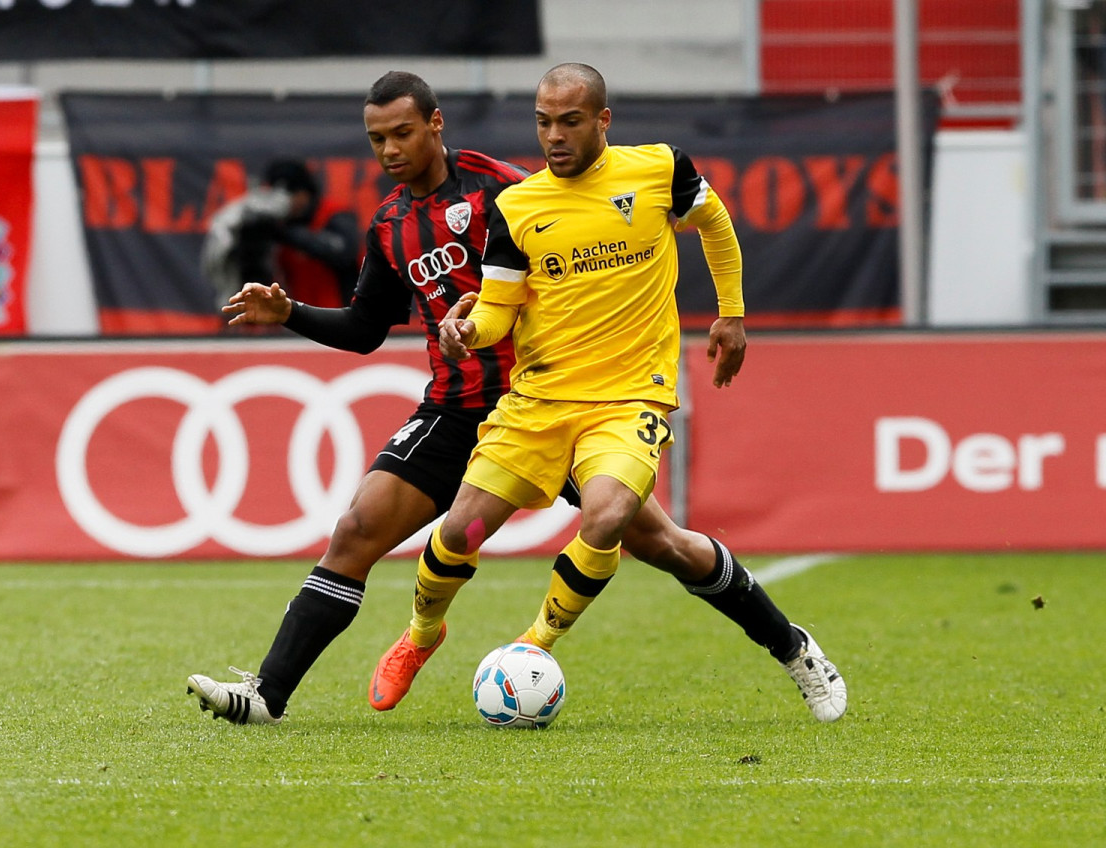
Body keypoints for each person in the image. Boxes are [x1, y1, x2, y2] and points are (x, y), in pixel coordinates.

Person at [186, 70, 845, 727]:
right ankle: (271, 694)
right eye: (376, 138)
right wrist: (292, 312)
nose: (389, 149)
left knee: (662, 544)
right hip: (463, 406)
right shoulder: (392, 224)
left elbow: (581, 255)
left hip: (558, 395)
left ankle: (790, 645)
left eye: (402, 133)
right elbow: (365, 328)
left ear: (435, 124)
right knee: (359, 531)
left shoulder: (507, 188)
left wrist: (719, 312)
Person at [201, 157, 361, 318]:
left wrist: (282, 232)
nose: (285, 203)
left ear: (304, 194)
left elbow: (343, 253)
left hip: (341, 317)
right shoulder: (278, 224)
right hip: (300, 319)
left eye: (289, 195)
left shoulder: (334, 214)